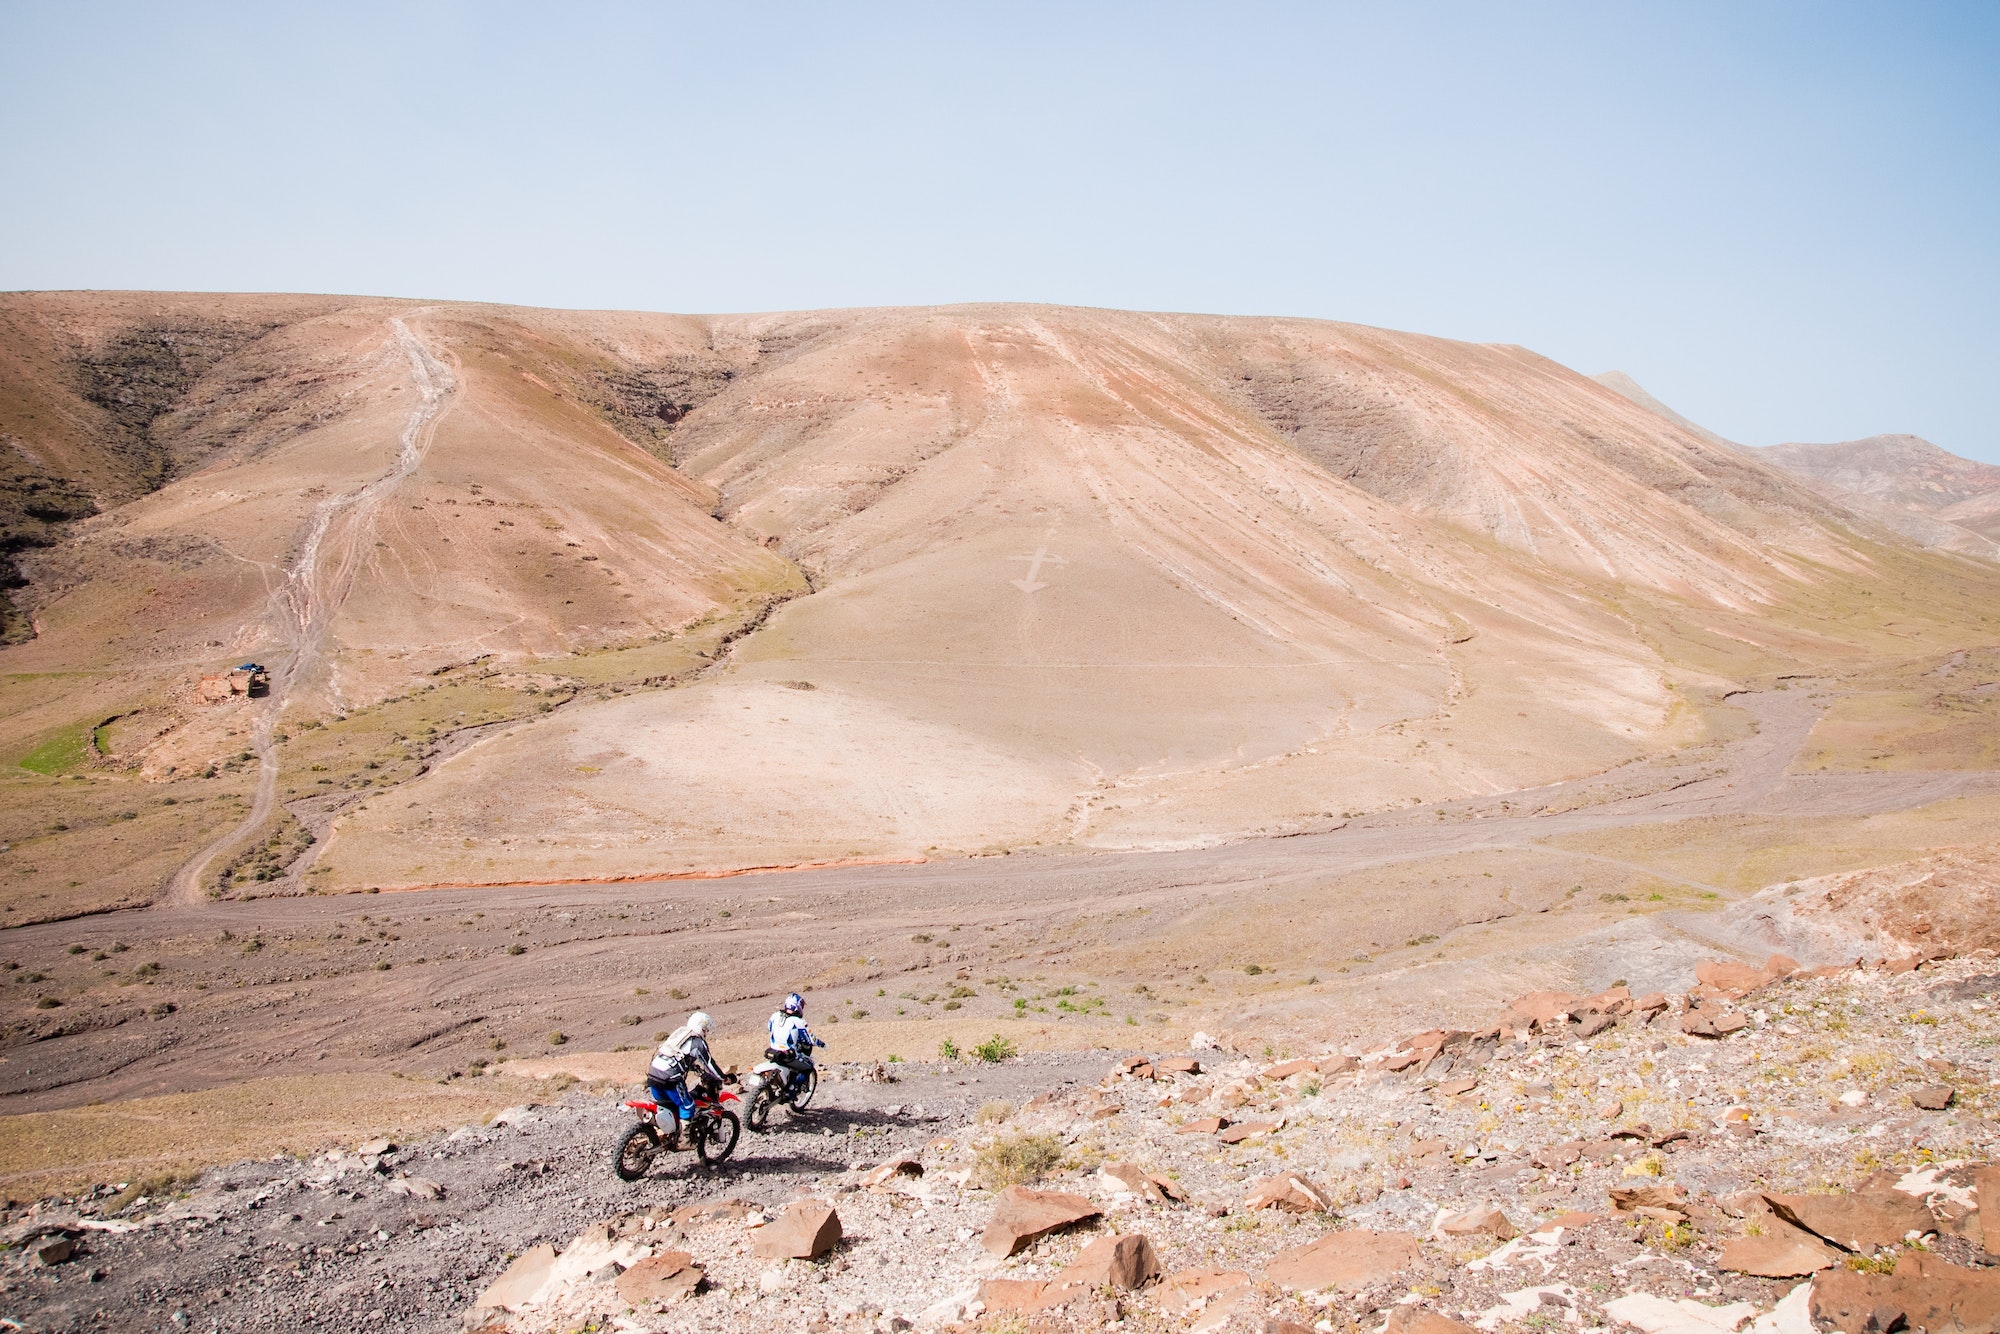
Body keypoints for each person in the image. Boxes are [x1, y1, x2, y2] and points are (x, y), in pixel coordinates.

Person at [647, 1011, 725, 1142]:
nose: (706, 1033)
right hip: (670, 1078)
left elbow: (675, 1053)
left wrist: (692, 1066)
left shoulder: (680, 1033)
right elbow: (710, 1064)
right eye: (705, 1030)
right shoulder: (697, 1042)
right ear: (701, 1028)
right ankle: (685, 1139)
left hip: (653, 1073)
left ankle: (664, 1135)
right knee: (687, 1106)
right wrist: (723, 1077)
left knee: (667, 1107)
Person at [765, 992, 824, 1098]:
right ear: (798, 1007)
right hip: (788, 1054)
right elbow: (811, 1039)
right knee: (808, 1067)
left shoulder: (775, 1015)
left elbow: (769, 1027)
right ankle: (791, 1090)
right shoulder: (799, 1022)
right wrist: (822, 1044)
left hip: (772, 1050)